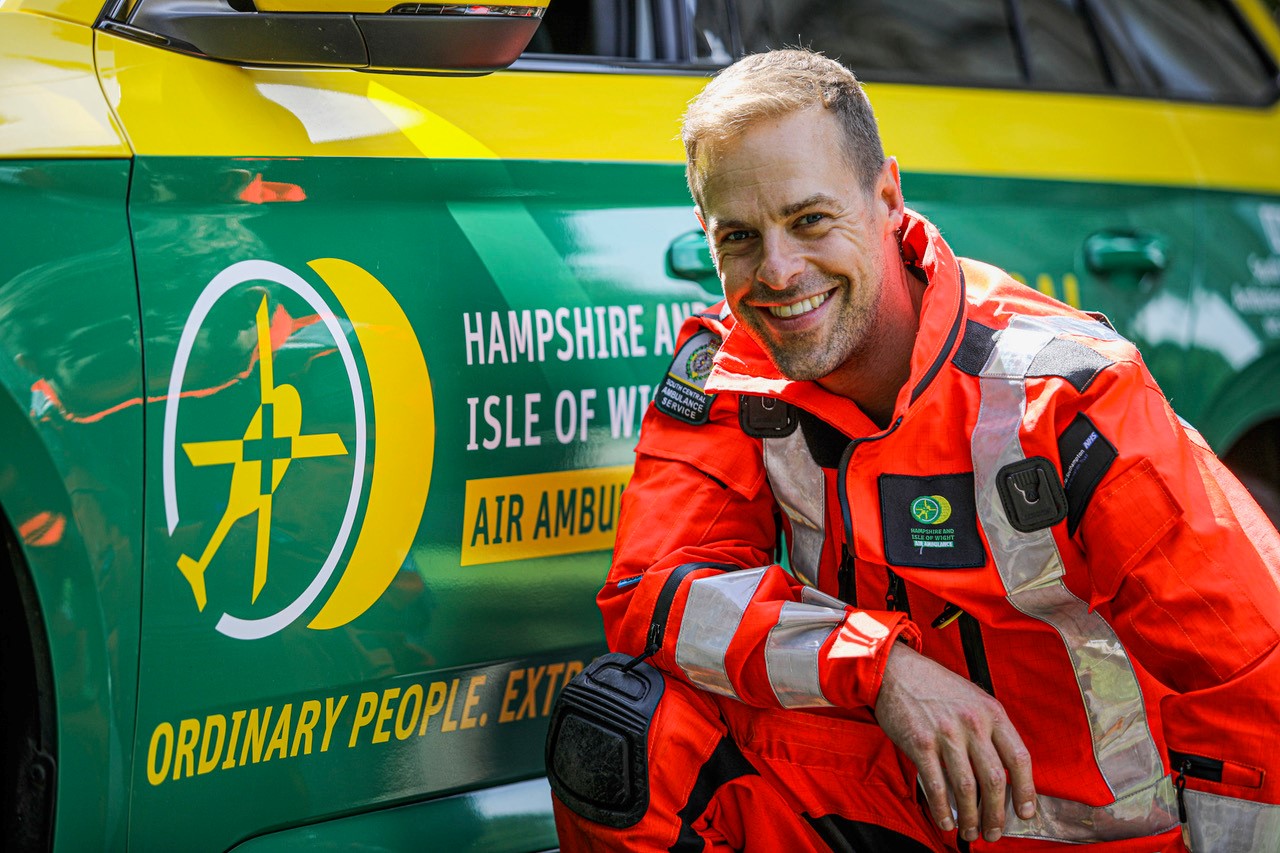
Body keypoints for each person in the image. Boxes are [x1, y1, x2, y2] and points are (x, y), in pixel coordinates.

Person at [547, 49, 1280, 852]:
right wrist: (880, 666)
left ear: (886, 196)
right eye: (741, 237)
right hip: (900, 803)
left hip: (1096, 836)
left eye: (809, 219)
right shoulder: (729, 369)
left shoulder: (1066, 392)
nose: (779, 271)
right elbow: (656, 591)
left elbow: (1254, 678)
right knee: (620, 732)